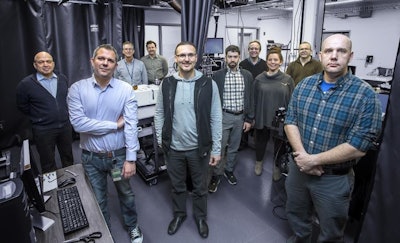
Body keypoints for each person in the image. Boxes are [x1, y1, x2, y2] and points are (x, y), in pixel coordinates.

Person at [284, 34, 382, 243]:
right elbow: (290, 120)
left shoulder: (365, 95)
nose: (334, 56)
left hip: (333, 179)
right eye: (329, 51)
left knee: (331, 231)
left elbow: (359, 145)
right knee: (297, 217)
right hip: (299, 171)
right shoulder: (304, 86)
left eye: (341, 51)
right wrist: (303, 157)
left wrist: (314, 160)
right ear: (321, 55)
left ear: (351, 56)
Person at [67, 44, 143, 243]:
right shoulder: (77, 89)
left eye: (110, 60)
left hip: (117, 158)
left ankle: (133, 226)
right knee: (98, 200)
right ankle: (106, 233)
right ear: (92, 61)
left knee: (125, 194)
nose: (105, 63)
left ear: (115, 66)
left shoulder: (125, 90)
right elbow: (78, 124)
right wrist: (114, 124)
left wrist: (131, 159)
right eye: (101, 58)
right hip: (91, 159)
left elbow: (131, 125)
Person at [154, 41, 222, 239]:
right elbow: (159, 113)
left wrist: (216, 149)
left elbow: (216, 117)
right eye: (182, 55)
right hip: (173, 149)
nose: (186, 59)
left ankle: (200, 217)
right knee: (177, 186)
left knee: (200, 188)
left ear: (196, 58)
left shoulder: (208, 83)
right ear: (175, 58)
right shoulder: (167, 84)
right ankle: (179, 214)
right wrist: (161, 139)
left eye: (190, 55)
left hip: (198, 149)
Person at [16, 51, 73, 173]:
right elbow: (22, 106)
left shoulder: (62, 79)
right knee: (48, 163)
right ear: (35, 65)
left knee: (68, 158)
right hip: (43, 130)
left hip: (65, 126)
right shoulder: (25, 84)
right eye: (41, 62)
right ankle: (51, 189)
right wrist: (40, 116)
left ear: (53, 63)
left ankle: (71, 183)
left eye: (48, 61)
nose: (45, 64)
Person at [208, 45, 253, 193]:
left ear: (239, 57)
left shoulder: (247, 75)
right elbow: (213, 99)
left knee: (234, 147)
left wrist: (248, 119)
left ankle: (228, 170)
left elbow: (250, 98)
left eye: (235, 57)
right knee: (219, 147)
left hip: (240, 117)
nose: (232, 59)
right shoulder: (218, 75)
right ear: (226, 58)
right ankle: (216, 175)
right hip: (223, 116)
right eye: (230, 57)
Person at [253, 47, 294, 177]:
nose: (273, 62)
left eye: (276, 60)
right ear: (267, 62)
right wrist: (252, 117)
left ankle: (277, 166)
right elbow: (253, 98)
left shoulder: (287, 80)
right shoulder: (259, 79)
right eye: (270, 60)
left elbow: (292, 99)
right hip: (262, 116)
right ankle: (259, 162)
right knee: (260, 141)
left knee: (279, 144)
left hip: (279, 119)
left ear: (280, 62)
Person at [238, 40, 267, 149]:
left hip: (260, 96)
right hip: (245, 95)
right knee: (245, 118)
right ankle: (243, 142)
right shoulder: (242, 64)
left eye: (256, 48)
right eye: (251, 48)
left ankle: (258, 143)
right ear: (248, 50)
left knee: (258, 119)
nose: (253, 50)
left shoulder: (265, 64)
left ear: (259, 50)